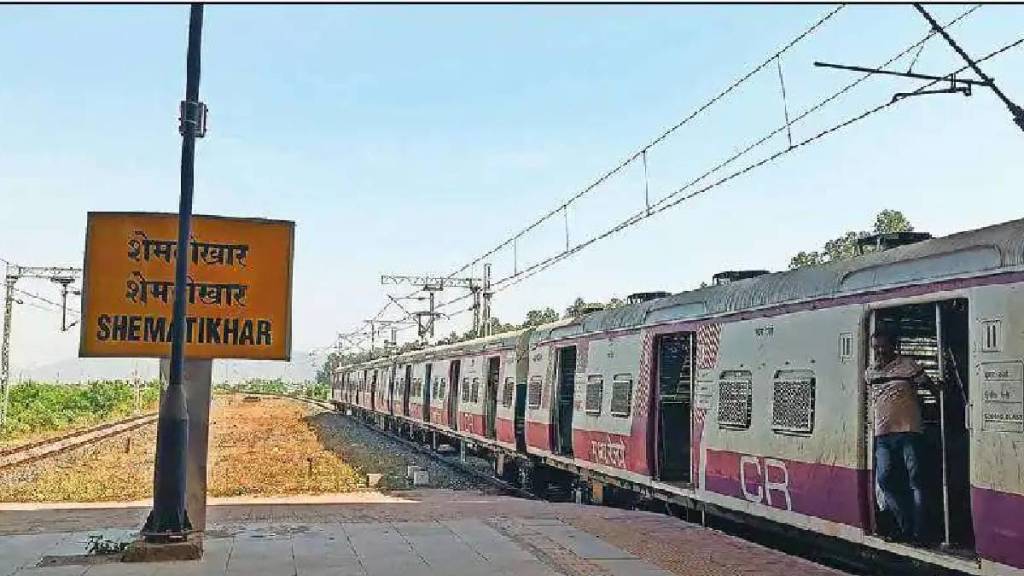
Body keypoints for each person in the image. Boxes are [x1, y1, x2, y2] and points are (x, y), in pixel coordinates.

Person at [865, 328, 940, 544]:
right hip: (883, 435)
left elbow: (930, 388)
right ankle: (905, 526)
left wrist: (935, 408)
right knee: (885, 480)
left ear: (893, 345)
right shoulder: (870, 373)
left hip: (909, 432)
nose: (879, 350)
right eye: (875, 347)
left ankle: (920, 532)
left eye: (882, 345)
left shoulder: (909, 366)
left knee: (916, 481)